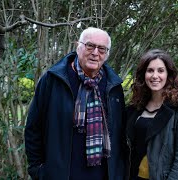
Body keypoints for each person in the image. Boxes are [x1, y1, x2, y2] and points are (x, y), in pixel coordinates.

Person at [24, 27, 127, 180]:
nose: (95, 53)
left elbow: (120, 135)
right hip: (61, 174)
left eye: (102, 49)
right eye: (90, 46)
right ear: (78, 46)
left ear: (107, 54)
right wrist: (38, 170)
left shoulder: (114, 87)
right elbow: (33, 127)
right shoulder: (53, 80)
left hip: (103, 175)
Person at [125, 49, 178, 180]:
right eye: (150, 70)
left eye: (160, 71)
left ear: (169, 74)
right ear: (143, 74)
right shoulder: (136, 104)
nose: (155, 76)